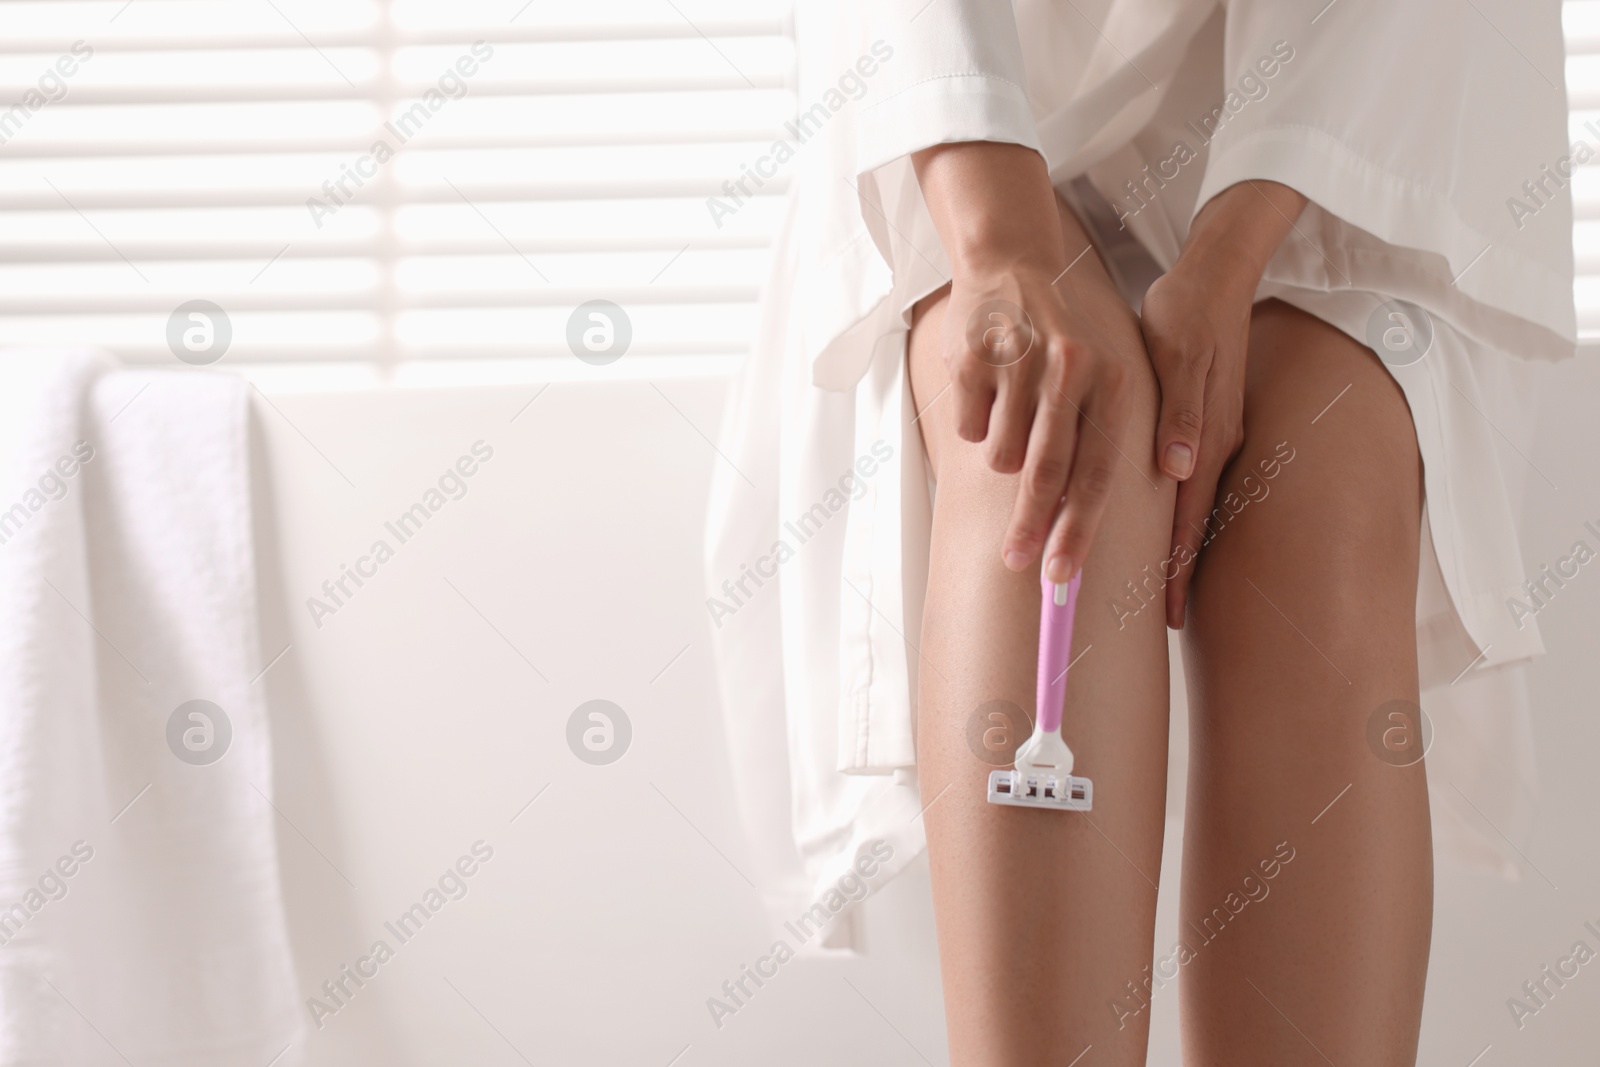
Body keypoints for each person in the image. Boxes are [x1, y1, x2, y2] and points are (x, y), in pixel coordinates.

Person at [705, 0, 1574, 1062]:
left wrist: (1230, 248)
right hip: (990, 117)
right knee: (1042, 460)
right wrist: (997, 238)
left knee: (1316, 522)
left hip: (1331, 127)